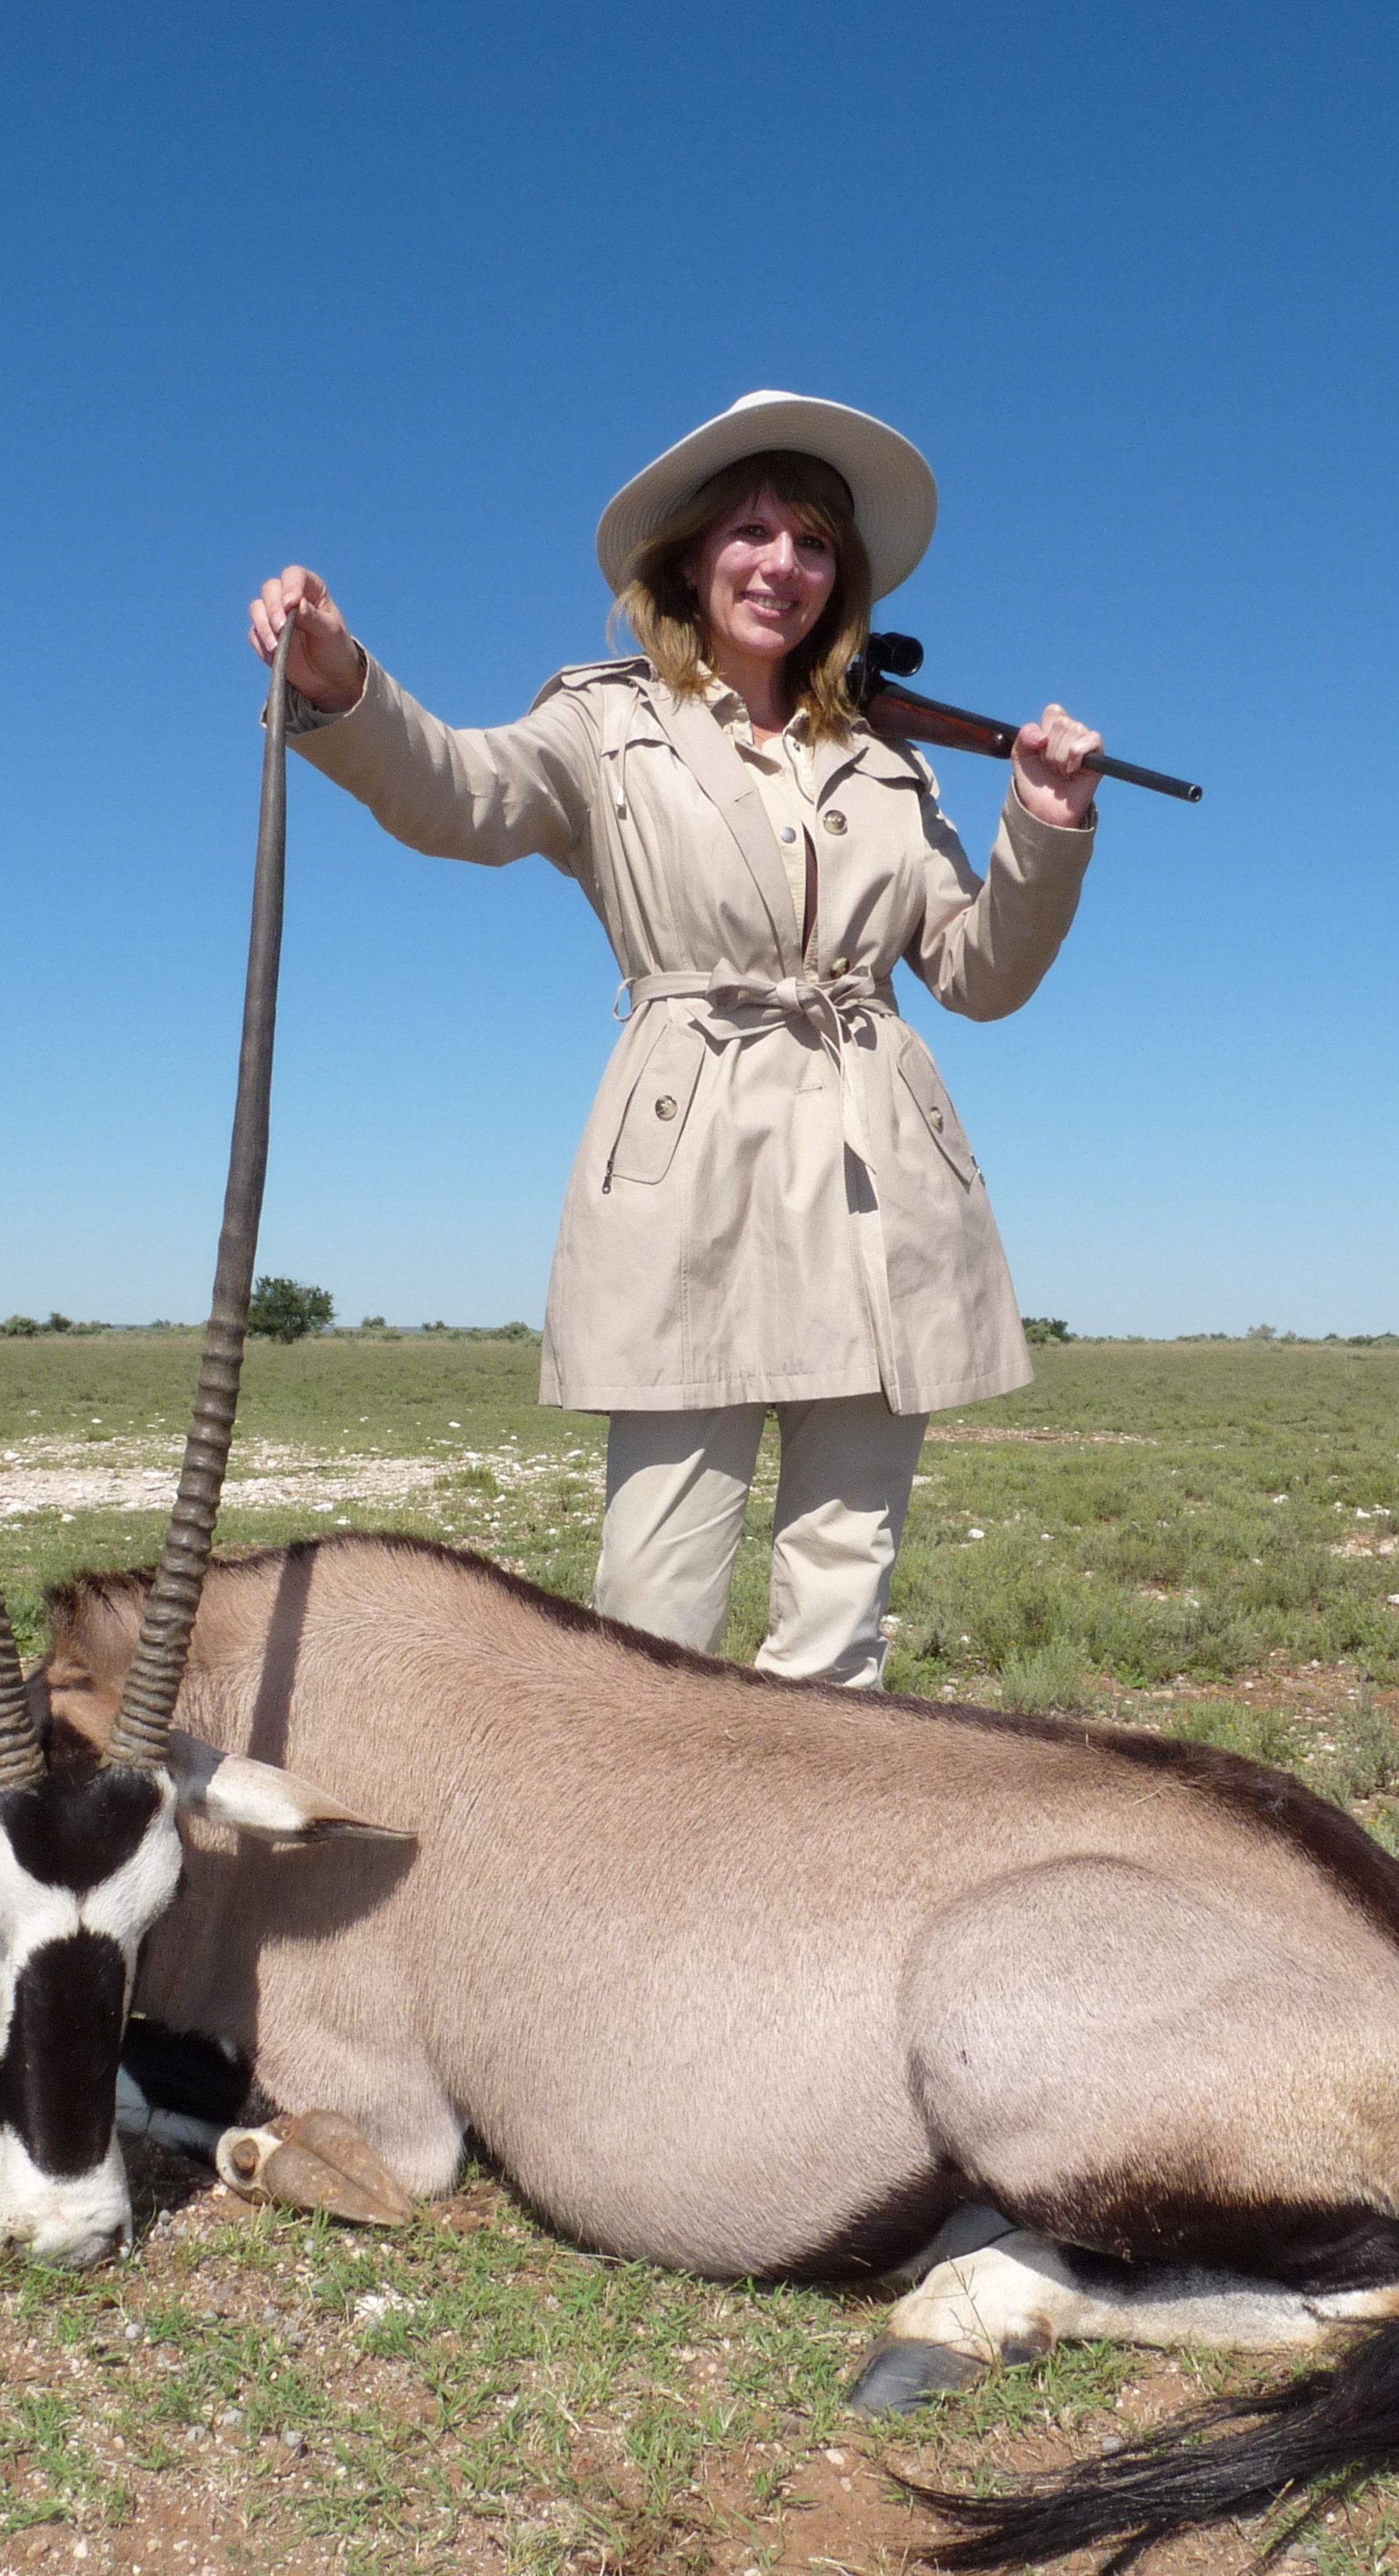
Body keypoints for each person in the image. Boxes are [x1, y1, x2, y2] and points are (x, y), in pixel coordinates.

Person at [249, 389, 1101, 1688]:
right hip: (688, 1174)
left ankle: (813, 1883)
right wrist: (344, 691)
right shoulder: (605, 724)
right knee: (652, 1625)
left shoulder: (890, 769)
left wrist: (1040, 828)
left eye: (815, 542)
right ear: (693, 556)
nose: (784, 564)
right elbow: (459, 794)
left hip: (885, 1195)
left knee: (841, 1624)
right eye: (753, 532)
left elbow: (980, 977)